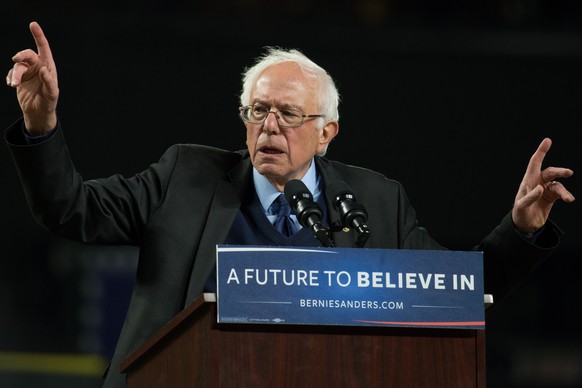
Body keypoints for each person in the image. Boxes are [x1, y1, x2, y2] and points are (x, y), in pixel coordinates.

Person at [5, 21, 575, 388]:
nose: (269, 126)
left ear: (327, 133)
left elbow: (448, 291)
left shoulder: (376, 200)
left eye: (288, 114)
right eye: (258, 111)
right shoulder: (186, 177)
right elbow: (69, 208)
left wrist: (519, 229)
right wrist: (41, 124)